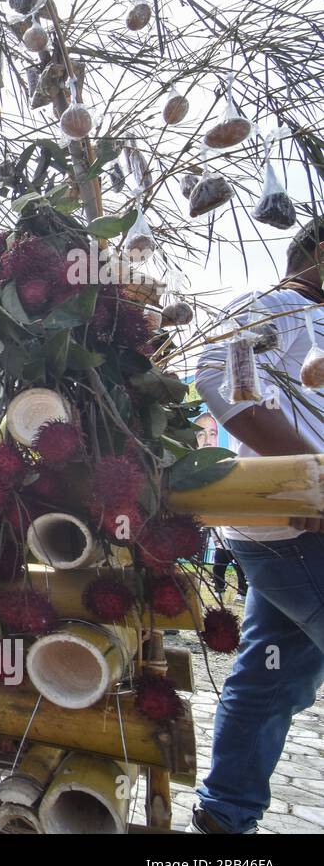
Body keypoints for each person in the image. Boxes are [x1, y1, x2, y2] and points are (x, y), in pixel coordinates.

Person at [190, 216, 324, 834]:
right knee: (272, 673)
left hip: (297, 528)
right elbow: (219, 376)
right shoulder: (273, 305)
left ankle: (226, 815)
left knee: (273, 674)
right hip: (296, 527)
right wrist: (310, 473)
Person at [194, 413, 246, 603]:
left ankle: (241, 591)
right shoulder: (185, 466)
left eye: (213, 434)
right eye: (200, 434)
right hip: (198, 523)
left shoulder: (227, 464)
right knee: (216, 560)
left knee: (234, 560)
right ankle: (207, 592)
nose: (207, 440)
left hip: (226, 526)